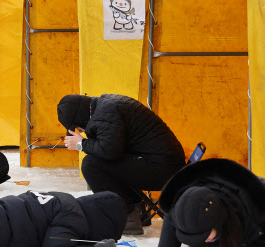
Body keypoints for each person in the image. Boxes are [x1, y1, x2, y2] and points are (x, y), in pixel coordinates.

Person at [57, 93, 186, 235]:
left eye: (78, 127)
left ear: (80, 117)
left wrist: (82, 144)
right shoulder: (105, 106)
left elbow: (109, 151)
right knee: (101, 162)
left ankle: (126, 216)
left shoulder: (106, 113)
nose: (80, 131)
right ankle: (137, 211)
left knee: (91, 165)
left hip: (164, 169)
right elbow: (113, 148)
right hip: (164, 164)